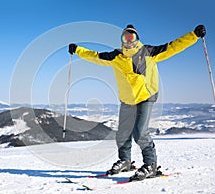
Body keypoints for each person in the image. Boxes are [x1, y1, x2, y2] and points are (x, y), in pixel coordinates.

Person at [68, 24, 206, 181]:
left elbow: (173, 46)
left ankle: (151, 165)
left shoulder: (148, 52)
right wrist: (78, 49)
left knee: (140, 132)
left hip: (145, 97)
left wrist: (193, 35)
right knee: (122, 133)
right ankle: (125, 161)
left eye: (131, 37)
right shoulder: (116, 56)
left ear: (137, 38)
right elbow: (94, 56)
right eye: (125, 37)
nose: (128, 40)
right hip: (127, 100)